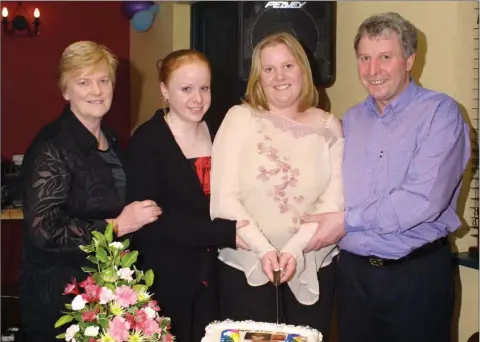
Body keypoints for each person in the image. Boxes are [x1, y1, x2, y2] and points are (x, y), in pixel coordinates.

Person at [302, 12, 471, 342]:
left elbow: (422, 201)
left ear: (409, 60)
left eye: (385, 57)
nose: (372, 70)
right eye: (364, 58)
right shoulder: (349, 120)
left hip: (414, 279)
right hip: (352, 278)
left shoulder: (441, 113)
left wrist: (346, 221)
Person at [19, 41, 162, 341]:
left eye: (103, 80)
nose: (96, 90)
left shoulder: (108, 137)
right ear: (66, 90)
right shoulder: (52, 145)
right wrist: (117, 226)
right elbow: (43, 230)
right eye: (83, 82)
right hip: (61, 301)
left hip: (105, 291)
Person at [210, 32, 344, 340]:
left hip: (313, 264)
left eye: (287, 65)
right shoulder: (238, 118)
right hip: (246, 267)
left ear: (303, 70)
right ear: (258, 78)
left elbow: (334, 201)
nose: (279, 76)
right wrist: (264, 249)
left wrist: (295, 249)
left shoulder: (329, 126)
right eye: (268, 69)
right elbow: (222, 199)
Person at [124, 49, 249, 342]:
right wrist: (225, 233)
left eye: (204, 88)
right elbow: (154, 224)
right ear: (164, 90)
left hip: (221, 275)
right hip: (169, 280)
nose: (197, 98)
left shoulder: (222, 129)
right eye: (186, 89)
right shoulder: (148, 141)